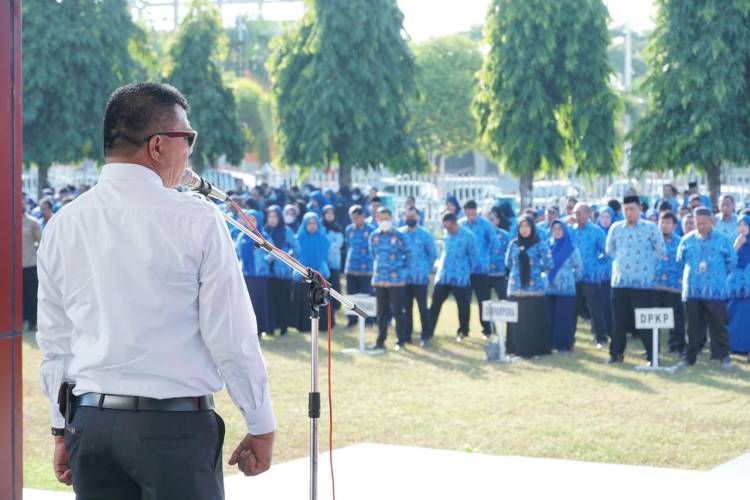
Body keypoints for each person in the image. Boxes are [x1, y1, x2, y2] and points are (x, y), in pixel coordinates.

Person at [36, 83, 274, 498]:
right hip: (173, 431)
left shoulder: (64, 223)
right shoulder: (197, 220)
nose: (189, 153)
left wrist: (62, 428)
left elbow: (55, 343)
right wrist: (260, 423)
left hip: (90, 428)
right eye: (188, 139)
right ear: (159, 146)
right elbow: (231, 335)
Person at [605, 195, 664, 364]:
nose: (629, 213)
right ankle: (616, 354)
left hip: (643, 283)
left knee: (645, 320)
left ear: (640, 209)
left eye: (632, 209)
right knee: (618, 321)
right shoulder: (616, 228)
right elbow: (610, 250)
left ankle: (652, 356)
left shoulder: (650, 228)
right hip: (620, 282)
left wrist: (647, 266)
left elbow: (660, 250)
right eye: (626, 210)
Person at [675, 208, 736, 369]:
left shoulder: (723, 240)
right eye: (697, 223)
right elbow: (680, 261)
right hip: (692, 290)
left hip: (716, 290)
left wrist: (718, 276)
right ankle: (690, 357)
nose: (700, 226)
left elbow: (732, 262)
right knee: (692, 326)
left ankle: (723, 356)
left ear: (712, 221)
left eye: (704, 223)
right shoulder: (686, 240)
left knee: (719, 325)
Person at [505, 214, 553, 357]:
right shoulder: (513, 244)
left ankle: (534, 350)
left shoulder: (540, 244)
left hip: (534, 289)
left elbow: (549, 263)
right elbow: (507, 263)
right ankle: (515, 349)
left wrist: (536, 271)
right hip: (516, 288)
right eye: (521, 226)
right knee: (516, 320)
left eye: (527, 226)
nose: (524, 230)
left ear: (532, 227)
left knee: (532, 321)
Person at [429, 212, 478, 341]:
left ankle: (463, 332)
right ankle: (428, 331)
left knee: (463, 306)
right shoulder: (447, 235)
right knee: (435, 304)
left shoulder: (468, 236)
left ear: (456, 223)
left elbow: (474, 257)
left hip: (460, 277)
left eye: (450, 227)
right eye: (445, 228)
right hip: (444, 276)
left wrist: (467, 272)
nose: (447, 230)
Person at [368, 207, 410, 350]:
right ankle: (380, 341)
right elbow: (373, 254)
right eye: (381, 219)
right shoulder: (374, 236)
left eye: (386, 218)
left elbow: (408, 255)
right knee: (381, 312)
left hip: (396, 280)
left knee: (398, 311)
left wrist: (401, 271)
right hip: (380, 278)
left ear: (391, 219)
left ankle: (401, 340)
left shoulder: (400, 236)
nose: (384, 221)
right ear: (376, 219)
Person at [571, 203, 609, 346]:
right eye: (575, 213)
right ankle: (569, 338)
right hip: (574, 277)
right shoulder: (571, 231)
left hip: (590, 277)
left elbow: (607, 252)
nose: (576, 216)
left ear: (588, 214)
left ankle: (601, 338)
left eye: (579, 213)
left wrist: (598, 267)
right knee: (572, 309)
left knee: (595, 309)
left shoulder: (596, 231)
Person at [399, 206, 438, 347]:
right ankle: (407, 335)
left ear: (418, 217)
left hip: (420, 279)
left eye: (413, 216)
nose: (410, 218)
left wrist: (425, 269)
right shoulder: (400, 234)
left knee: (422, 308)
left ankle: (425, 335)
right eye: (408, 216)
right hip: (404, 278)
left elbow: (433, 254)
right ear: (404, 217)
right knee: (406, 308)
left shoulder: (425, 235)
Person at [459, 199, 497, 337]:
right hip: (464, 271)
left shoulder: (485, 225)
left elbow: (495, 243)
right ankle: (463, 330)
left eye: (472, 213)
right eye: (467, 214)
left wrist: (487, 259)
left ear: (476, 211)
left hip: (481, 270)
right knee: (464, 302)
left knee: (484, 302)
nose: (470, 217)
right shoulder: (461, 225)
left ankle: (488, 330)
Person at [291, 212, 331, 332]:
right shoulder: (299, 238)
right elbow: (296, 254)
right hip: (302, 274)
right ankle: (303, 325)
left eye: (314, 223)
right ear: (304, 225)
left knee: (320, 299)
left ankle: (322, 326)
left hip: (320, 274)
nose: (312, 226)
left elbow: (325, 254)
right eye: (309, 224)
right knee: (305, 300)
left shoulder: (324, 238)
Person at [237, 210, 275, 336]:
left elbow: (273, 253)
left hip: (260, 275)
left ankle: (262, 328)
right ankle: (249, 330)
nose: (251, 223)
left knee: (261, 302)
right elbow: (237, 254)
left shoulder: (264, 236)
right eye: (249, 219)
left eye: (254, 220)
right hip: (247, 275)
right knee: (248, 303)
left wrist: (264, 261)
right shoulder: (242, 236)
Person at [546, 221, 582, 352]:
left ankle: (564, 345)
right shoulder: (547, 245)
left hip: (566, 289)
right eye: (554, 229)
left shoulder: (571, 248)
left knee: (563, 317)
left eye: (560, 229)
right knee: (549, 317)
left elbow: (579, 269)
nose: (557, 231)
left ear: (565, 230)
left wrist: (569, 279)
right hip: (549, 288)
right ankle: (550, 343)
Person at [653, 212, 686, 355]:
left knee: (677, 319)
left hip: (675, 287)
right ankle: (653, 347)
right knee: (653, 319)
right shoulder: (652, 241)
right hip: (655, 286)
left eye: (668, 223)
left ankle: (677, 346)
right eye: (662, 222)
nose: (665, 226)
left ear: (674, 226)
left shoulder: (681, 242)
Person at [265, 205, 299, 335]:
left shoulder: (286, 231)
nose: (272, 220)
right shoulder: (264, 231)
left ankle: (283, 326)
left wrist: (286, 257)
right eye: (270, 216)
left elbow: (297, 249)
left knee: (283, 299)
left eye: (275, 217)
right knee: (270, 300)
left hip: (283, 272)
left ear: (280, 217)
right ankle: (271, 326)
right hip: (267, 272)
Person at [345, 205, 376, 326]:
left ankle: (368, 320)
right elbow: (348, 245)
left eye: (357, 218)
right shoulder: (349, 230)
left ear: (363, 216)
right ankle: (352, 320)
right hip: (351, 267)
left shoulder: (371, 231)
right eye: (352, 218)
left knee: (366, 295)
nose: (355, 220)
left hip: (366, 269)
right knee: (351, 295)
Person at [728, 215, 750, 361]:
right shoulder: (732, 240)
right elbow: (726, 261)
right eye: (739, 224)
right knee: (732, 316)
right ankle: (734, 348)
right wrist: (736, 246)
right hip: (733, 287)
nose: (742, 227)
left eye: (745, 224)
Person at [22, 197, 42, 330]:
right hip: (13, 267)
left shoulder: (32, 222)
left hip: (29, 264)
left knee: (31, 295)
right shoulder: (6, 221)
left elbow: (41, 242)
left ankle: (32, 321)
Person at [322, 204, 345, 319]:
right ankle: (325, 306)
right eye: (327, 213)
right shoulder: (320, 227)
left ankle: (335, 306)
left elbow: (339, 244)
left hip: (334, 261)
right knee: (324, 284)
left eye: (332, 213)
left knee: (334, 283)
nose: (330, 215)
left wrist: (327, 246)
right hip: (322, 262)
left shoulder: (337, 228)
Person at [597, 207, 615, 341]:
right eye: (602, 217)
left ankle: (613, 329)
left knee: (612, 304)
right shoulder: (596, 233)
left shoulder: (616, 232)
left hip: (614, 276)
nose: (605, 220)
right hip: (599, 276)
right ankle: (601, 330)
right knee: (601, 304)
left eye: (608, 217)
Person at [487, 206, 512, 300]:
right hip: (485, 274)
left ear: (497, 221)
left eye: (491, 220)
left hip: (500, 274)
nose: (489, 223)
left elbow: (510, 255)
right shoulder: (481, 235)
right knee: (484, 303)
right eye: (487, 220)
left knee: (505, 301)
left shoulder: (505, 236)